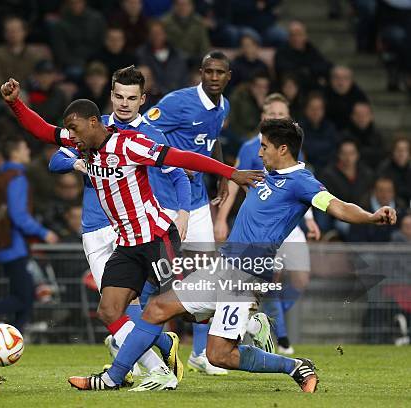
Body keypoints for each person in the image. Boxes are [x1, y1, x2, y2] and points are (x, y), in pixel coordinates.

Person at [70, 118, 396, 392]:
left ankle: (295, 365)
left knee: (219, 355)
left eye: (265, 146)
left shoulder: (302, 182)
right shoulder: (267, 175)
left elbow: (337, 206)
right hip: (225, 264)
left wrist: (369, 216)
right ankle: (112, 379)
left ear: (283, 149)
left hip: (245, 273)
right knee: (158, 307)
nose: (260, 151)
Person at [0, 77, 263, 390]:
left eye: (74, 128)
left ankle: (242, 314)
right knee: (109, 310)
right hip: (126, 245)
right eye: (68, 130)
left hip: (155, 239)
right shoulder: (81, 143)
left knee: (178, 307)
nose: (70, 136)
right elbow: (43, 131)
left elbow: (182, 159)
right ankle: (150, 368)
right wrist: (15, 103)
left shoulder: (130, 144)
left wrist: (231, 173)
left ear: (93, 123)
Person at [49, 65, 192, 389]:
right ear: (110, 95)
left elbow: (179, 172)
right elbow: (54, 160)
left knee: (171, 306)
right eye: (118, 96)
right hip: (97, 229)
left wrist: (183, 212)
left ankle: (147, 363)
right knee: (116, 309)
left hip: (139, 230)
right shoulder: (90, 128)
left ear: (142, 99)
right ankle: (156, 357)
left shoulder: (149, 135)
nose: (124, 104)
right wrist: (77, 163)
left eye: (131, 97)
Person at [144, 51, 233, 375]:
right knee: (158, 278)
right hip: (164, 200)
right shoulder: (176, 102)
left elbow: (212, 140)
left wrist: (222, 174)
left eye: (219, 72)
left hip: (197, 204)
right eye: (208, 71)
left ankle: (200, 353)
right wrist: (174, 160)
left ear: (228, 76)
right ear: (200, 72)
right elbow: (146, 129)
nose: (213, 77)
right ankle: (146, 352)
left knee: (203, 278)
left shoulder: (224, 106)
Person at [214, 93, 321, 354]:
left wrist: (310, 219)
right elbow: (235, 181)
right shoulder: (252, 147)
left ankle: (259, 320)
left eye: (281, 115)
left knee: (299, 280)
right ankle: (278, 333)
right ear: (264, 115)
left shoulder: (290, 146)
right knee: (266, 278)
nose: (276, 118)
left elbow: (302, 185)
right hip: (262, 224)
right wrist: (221, 219)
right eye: (272, 114)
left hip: (289, 222)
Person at [0, 137, 58, 332]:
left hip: (2, 243)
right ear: (15, 153)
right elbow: (19, 215)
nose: (28, 152)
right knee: (23, 297)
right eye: (25, 148)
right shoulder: (17, 177)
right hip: (14, 244)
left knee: (24, 297)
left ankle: (13, 337)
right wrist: (43, 232)